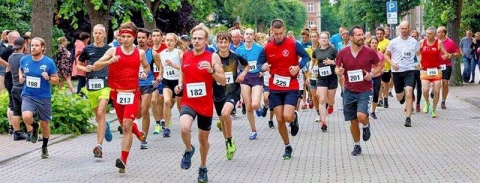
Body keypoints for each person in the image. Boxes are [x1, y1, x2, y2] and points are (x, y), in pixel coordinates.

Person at [92, 22, 150, 173]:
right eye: (122, 36)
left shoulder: (140, 53)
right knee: (126, 125)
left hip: (132, 93)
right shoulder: (113, 51)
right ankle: (137, 132)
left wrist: (144, 72)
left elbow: (146, 66)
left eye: (128, 36)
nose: (125, 39)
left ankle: (123, 160)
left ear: (134, 37)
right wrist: (109, 61)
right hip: (117, 94)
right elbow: (96, 65)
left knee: (126, 126)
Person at [176, 25, 226, 183]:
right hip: (188, 100)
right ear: (191, 40)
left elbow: (223, 81)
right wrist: (180, 84)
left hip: (205, 104)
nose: (197, 41)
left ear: (206, 41)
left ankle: (203, 167)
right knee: (184, 127)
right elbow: (182, 71)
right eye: (194, 38)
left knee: (203, 140)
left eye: (200, 38)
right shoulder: (185, 56)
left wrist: (212, 71)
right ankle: (189, 150)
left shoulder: (213, 57)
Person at [258, 19, 310, 160]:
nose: (279, 36)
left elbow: (306, 56)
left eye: (281, 33)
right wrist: (262, 67)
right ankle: (287, 146)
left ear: (284, 30)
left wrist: (298, 67)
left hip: (291, 85)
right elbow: (259, 63)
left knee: (287, 116)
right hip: (275, 86)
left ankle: (293, 118)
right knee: (280, 120)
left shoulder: (293, 44)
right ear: (272, 32)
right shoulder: (267, 48)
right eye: (276, 34)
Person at [335, 26, 382, 156]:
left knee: (361, 116)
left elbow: (380, 65)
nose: (361, 37)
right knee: (353, 121)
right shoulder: (343, 52)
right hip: (349, 90)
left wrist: (371, 74)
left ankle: (366, 126)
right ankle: (357, 145)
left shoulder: (369, 52)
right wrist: (338, 71)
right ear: (351, 37)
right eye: (358, 35)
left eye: (362, 35)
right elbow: (337, 67)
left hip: (365, 90)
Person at [19, 37, 60, 158]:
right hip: (28, 95)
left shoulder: (48, 63)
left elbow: (56, 80)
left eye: (36, 45)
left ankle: (44, 147)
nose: (33, 48)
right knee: (26, 116)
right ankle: (34, 126)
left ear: (42, 48)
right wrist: (21, 77)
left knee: (45, 123)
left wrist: (48, 78)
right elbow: (20, 70)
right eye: (32, 45)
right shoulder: (24, 60)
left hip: (43, 97)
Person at [77, 24, 114, 157]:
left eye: (100, 33)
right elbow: (78, 64)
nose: (97, 35)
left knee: (101, 112)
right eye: (95, 33)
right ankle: (106, 126)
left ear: (104, 35)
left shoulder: (110, 49)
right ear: (93, 34)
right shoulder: (88, 49)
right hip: (91, 86)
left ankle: (99, 145)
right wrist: (84, 69)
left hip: (105, 85)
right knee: (99, 117)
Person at [213, 32, 249, 160]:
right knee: (222, 120)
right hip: (217, 93)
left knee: (225, 113)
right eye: (220, 42)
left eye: (225, 42)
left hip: (232, 90)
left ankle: (229, 139)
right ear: (217, 43)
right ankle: (228, 142)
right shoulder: (213, 58)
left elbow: (247, 65)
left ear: (229, 43)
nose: (223, 45)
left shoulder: (235, 57)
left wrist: (243, 74)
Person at [384, 21, 421, 127]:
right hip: (397, 72)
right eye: (402, 29)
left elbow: (418, 54)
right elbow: (386, 55)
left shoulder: (413, 42)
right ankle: (403, 98)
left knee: (409, 92)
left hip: (409, 70)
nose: (404, 30)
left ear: (409, 28)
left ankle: (408, 118)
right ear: (399, 29)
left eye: (406, 28)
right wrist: (392, 63)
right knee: (400, 97)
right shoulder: (394, 42)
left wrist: (419, 62)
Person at [235, 28, 264, 140]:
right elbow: (236, 65)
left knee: (255, 104)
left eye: (251, 34)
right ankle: (253, 130)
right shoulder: (239, 50)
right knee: (248, 106)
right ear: (244, 36)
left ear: (254, 36)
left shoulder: (259, 49)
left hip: (257, 76)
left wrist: (262, 70)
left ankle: (259, 107)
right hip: (245, 78)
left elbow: (264, 62)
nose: (248, 36)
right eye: (247, 34)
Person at [135, 28, 161, 149]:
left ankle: (143, 139)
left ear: (147, 38)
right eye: (139, 37)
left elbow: (161, 67)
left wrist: (159, 77)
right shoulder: (132, 52)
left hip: (147, 84)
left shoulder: (152, 53)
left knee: (145, 110)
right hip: (133, 85)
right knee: (138, 114)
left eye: (143, 37)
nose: (141, 40)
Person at [419, 27, 450, 118]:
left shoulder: (439, 43)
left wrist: (445, 56)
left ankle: (433, 109)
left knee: (436, 91)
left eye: (430, 34)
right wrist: (418, 62)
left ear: (434, 35)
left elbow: (446, 54)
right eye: (427, 33)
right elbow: (417, 53)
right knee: (425, 90)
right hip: (425, 70)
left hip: (436, 71)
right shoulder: (422, 42)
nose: (427, 35)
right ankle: (427, 102)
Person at [158, 33, 183, 138]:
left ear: (175, 42)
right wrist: (159, 75)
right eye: (167, 40)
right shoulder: (162, 53)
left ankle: (184, 124)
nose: (168, 42)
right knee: (167, 102)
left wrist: (173, 65)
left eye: (171, 40)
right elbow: (161, 67)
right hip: (167, 81)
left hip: (178, 81)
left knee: (179, 105)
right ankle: (167, 128)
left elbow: (183, 68)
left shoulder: (179, 52)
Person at [312, 31, 338, 131]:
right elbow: (313, 60)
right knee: (322, 99)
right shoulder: (316, 51)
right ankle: (323, 121)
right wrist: (311, 67)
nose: (323, 40)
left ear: (328, 40)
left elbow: (341, 61)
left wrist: (332, 62)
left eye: (325, 38)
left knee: (330, 100)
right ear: (319, 40)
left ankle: (331, 105)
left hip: (332, 78)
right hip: (321, 78)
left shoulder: (333, 50)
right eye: (322, 38)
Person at [8, 37, 32, 141]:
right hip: (24, 88)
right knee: (26, 110)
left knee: (16, 110)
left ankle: (16, 133)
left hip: (14, 86)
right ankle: (31, 133)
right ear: (23, 45)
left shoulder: (10, 57)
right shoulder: (25, 58)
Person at [436, 26, 460, 109]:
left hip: (446, 65)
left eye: (439, 32)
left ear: (443, 33)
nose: (437, 33)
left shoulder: (450, 42)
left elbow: (457, 53)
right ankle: (433, 93)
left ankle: (443, 100)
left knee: (445, 83)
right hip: (436, 66)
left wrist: (451, 55)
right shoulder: (435, 41)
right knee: (437, 83)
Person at [151, 29, 167, 135]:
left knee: (161, 100)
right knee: (153, 101)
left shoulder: (165, 48)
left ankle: (163, 120)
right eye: (154, 36)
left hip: (164, 77)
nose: (156, 37)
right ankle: (158, 122)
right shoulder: (149, 50)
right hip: (153, 79)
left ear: (161, 37)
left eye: (158, 35)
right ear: (151, 38)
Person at [366, 37, 385, 119]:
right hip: (367, 77)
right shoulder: (366, 53)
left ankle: (373, 111)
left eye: (375, 43)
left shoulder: (380, 54)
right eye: (372, 43)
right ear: (370, 44)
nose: (374, 44)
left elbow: (383, 66)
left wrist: (381, 71)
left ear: (378, 44)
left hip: (377, 76)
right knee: (367, 94)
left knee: (376, 94)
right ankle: (365, 110)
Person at [410, 29, 422, 112]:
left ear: (417, 37)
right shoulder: (407, 44)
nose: (413, 38)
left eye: (415, 36)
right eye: (412, 36)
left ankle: (418, 103)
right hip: (410, 67)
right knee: (411, 86)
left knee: (419, 86)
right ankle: (410, 103)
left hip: (418, 67)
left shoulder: (420, 44)